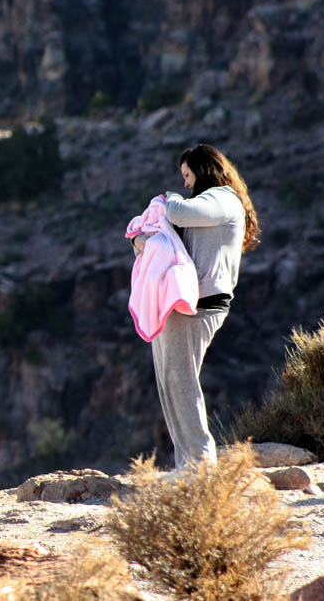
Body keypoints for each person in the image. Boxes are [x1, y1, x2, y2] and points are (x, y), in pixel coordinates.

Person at [131, 143, 260, 469]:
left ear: (204, 171)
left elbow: (177, 213)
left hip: (199, 304)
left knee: (181, 381)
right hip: (183, 303)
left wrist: (166, 198)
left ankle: (200, 465)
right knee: (169, 382)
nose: (186, 183)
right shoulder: (209, 204)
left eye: (188, 175)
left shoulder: (221, 199)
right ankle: (186, 464)